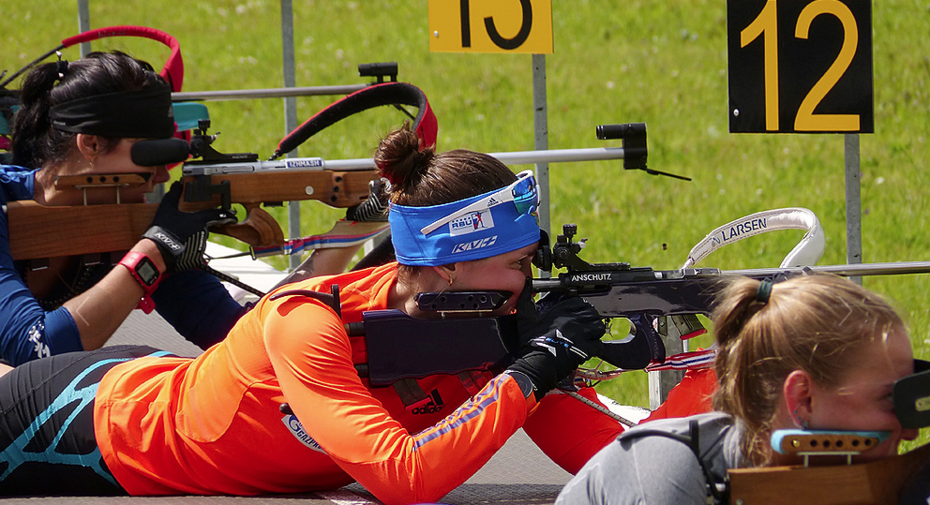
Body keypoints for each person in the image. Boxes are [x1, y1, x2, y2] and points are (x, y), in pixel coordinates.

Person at [0, 124, 631, 502]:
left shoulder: (493, 330)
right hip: (89, 421)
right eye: (519, 264)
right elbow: (402, 479)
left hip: (158, 387)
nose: (533, 282)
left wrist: (705, 362)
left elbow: (625, 463)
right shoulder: (309, 322)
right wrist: (534, 368)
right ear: (447, 268)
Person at [556, 274, 918, 505]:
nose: (913, 428)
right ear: (802, 400)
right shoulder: (669, 474)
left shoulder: (837, 483)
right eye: (890, 398)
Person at [0, 50, 254, 366]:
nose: (163, 174)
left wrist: (329, 244)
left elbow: (235, 335)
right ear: (90, 144)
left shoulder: (128, 219)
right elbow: (35, 351)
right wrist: (154, 253)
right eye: (151, 154)